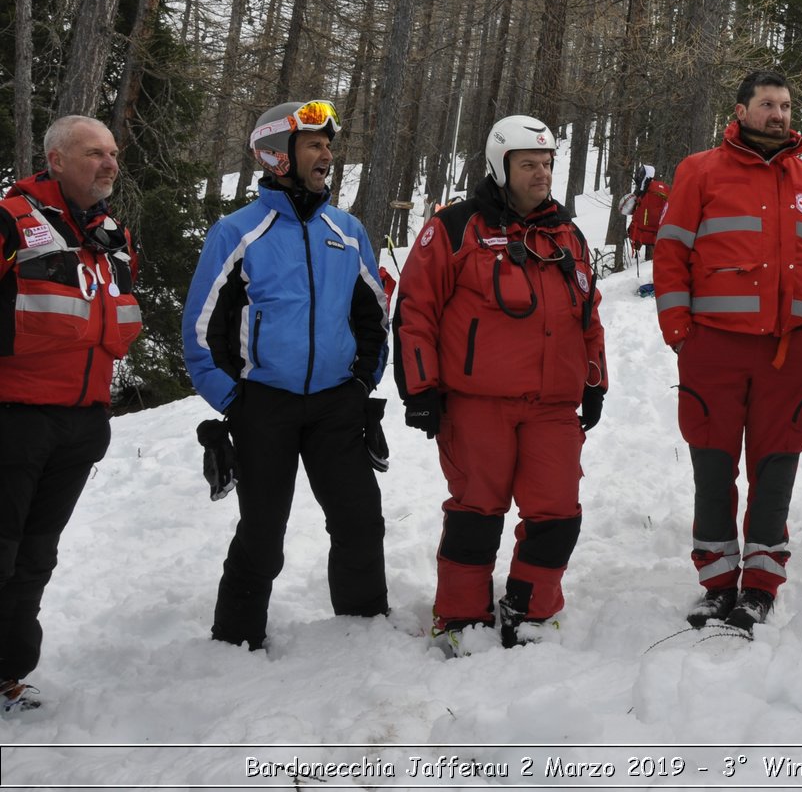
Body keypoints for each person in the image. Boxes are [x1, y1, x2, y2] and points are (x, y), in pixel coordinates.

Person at [393, 115, 607, 656]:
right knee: (475, 511)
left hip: (553, 406)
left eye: (547, 164)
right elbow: (415, 307)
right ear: (500, 166)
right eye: (528, 164)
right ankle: (461, 615)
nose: (541, 174)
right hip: (477, 404)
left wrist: (595, 380)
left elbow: (589, 316)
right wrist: (420, 388)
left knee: (557, 512)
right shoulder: (454, 227)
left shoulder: (568, 236)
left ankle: (531, 610)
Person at [183, 100, 390, 651]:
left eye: (329, 144)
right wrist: (235, 399)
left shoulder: (346, 230)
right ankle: (234, 640)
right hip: (263, 407)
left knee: (360, 522)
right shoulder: (237, 232)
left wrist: (360, 384)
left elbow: (373, 316)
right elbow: (202, 330)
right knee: (261, 536)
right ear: (278, 156)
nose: (327, 155)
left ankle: (364, 625)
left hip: (334, 406)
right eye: (314, 144)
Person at [655, 69, 802, 631]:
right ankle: (716, 582)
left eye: (785, 105)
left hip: (789, 356)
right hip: (712, 349)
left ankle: (762, 581)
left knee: (776, 466)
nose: (779, 115)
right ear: (740, 111)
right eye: (767, 104)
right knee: (713, 465)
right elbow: (670, 254)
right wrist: (679, 329)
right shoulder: (700, 171)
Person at [0, 117, 141, 712]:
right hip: (13, 418)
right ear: (56, 160)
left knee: (35, 556)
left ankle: (6, 673)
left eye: (112, 153)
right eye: (94, 153)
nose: (109, 163)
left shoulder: (112, 232)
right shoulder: (10, 219)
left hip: (82, 423)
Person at [622, 164, 671, 260]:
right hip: (660, 234)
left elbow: (644, 217)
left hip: (652, 235)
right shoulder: (658, 189)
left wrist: (634, 233)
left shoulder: (650, 192)